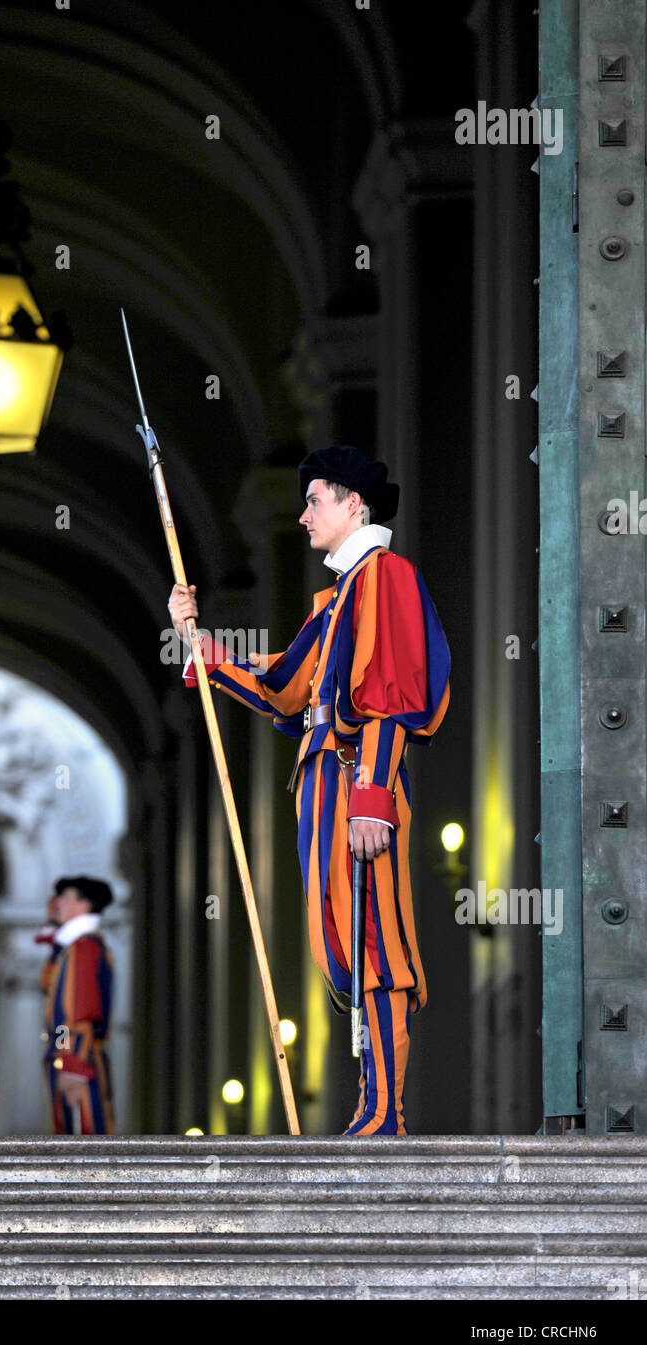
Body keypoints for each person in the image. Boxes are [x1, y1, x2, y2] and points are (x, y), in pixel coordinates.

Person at [167, 445, 450, 1135]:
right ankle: (368, 1100)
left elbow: (388, 694)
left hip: (356, 776)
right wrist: (195, 640)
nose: (302, 516)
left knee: (375, 937)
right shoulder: (338, 598)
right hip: (322, 781)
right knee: (342, 942)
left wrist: (371, 799)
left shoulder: (385, 576)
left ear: (354, 504)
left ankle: (385, 1110)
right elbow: (283, 690)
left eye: (315, 500)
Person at [40, 875, 115, 1135]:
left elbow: (78, 1015)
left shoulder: (83, 948)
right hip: (71, 1057)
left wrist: (71, 1063)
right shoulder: (72, 947)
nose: (57, 902)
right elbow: (47, 982)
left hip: (77, 1060)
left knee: (81, 1141)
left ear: (83, 907)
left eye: (66, 897)